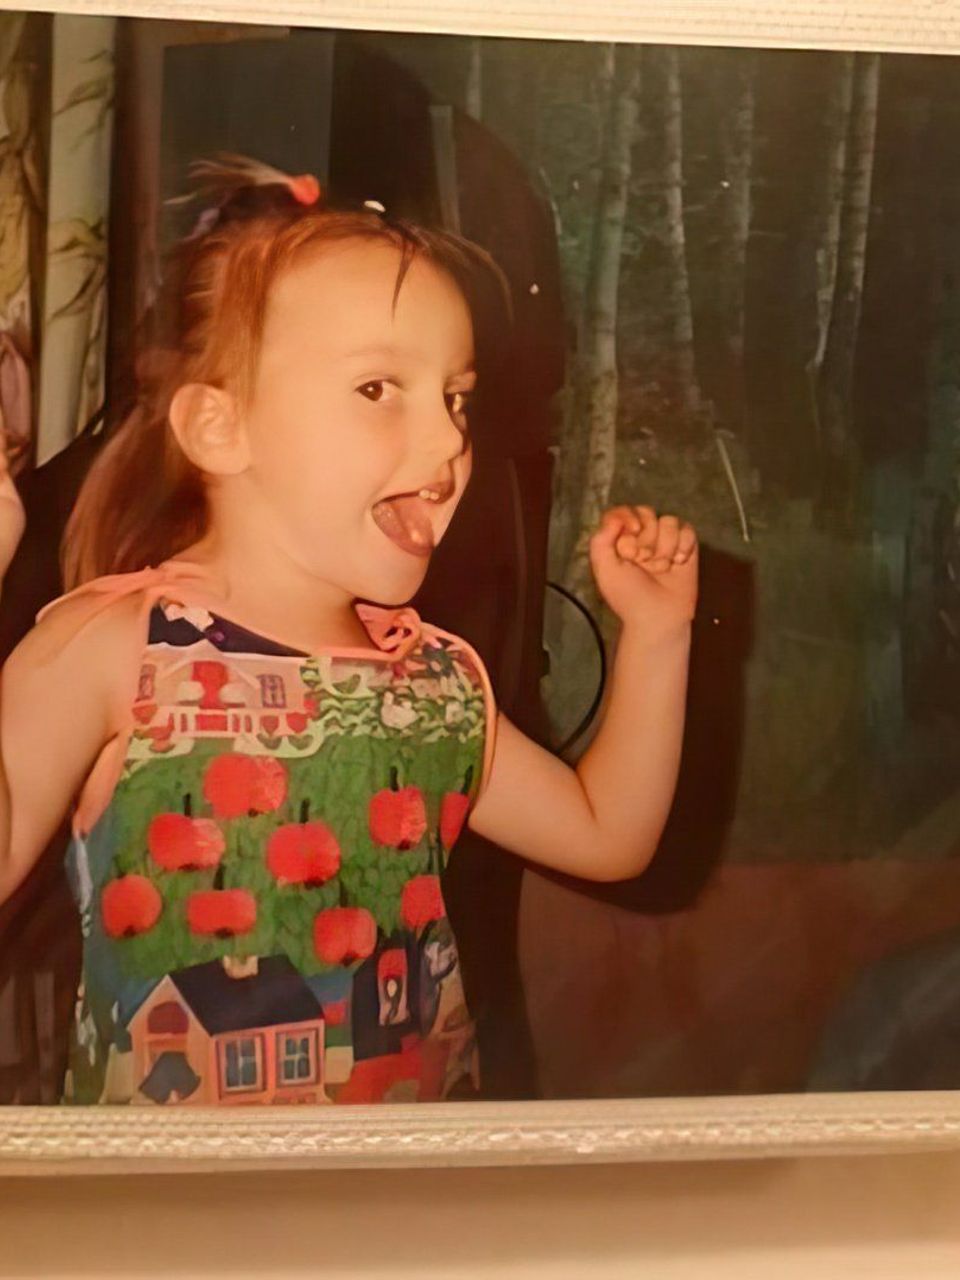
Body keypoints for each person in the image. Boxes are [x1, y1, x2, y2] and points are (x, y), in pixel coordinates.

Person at [0, 155, 698, 1106]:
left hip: (405, 1187)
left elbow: (608, 834)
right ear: (220, 429)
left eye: (455, 396)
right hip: (182, 1201)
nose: (451, 441)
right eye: (378, 389)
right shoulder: (117, 649)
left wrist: (658, 635)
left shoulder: (434, 682)